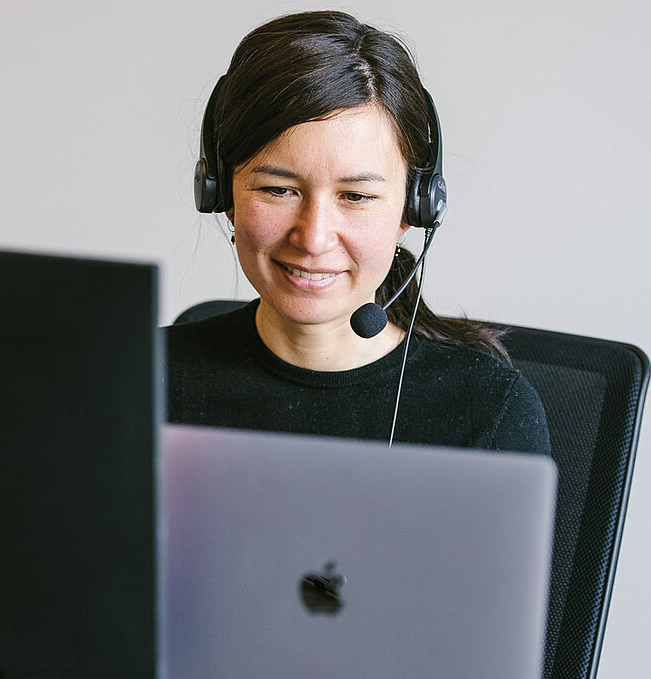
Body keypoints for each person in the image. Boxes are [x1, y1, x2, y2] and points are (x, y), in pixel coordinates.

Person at [166, 10, 550, 454]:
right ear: (222, 192)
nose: (313, 238)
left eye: (356, 196)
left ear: (414, 207)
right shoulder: (139, 377)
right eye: (278, 190)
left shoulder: (489, 411)